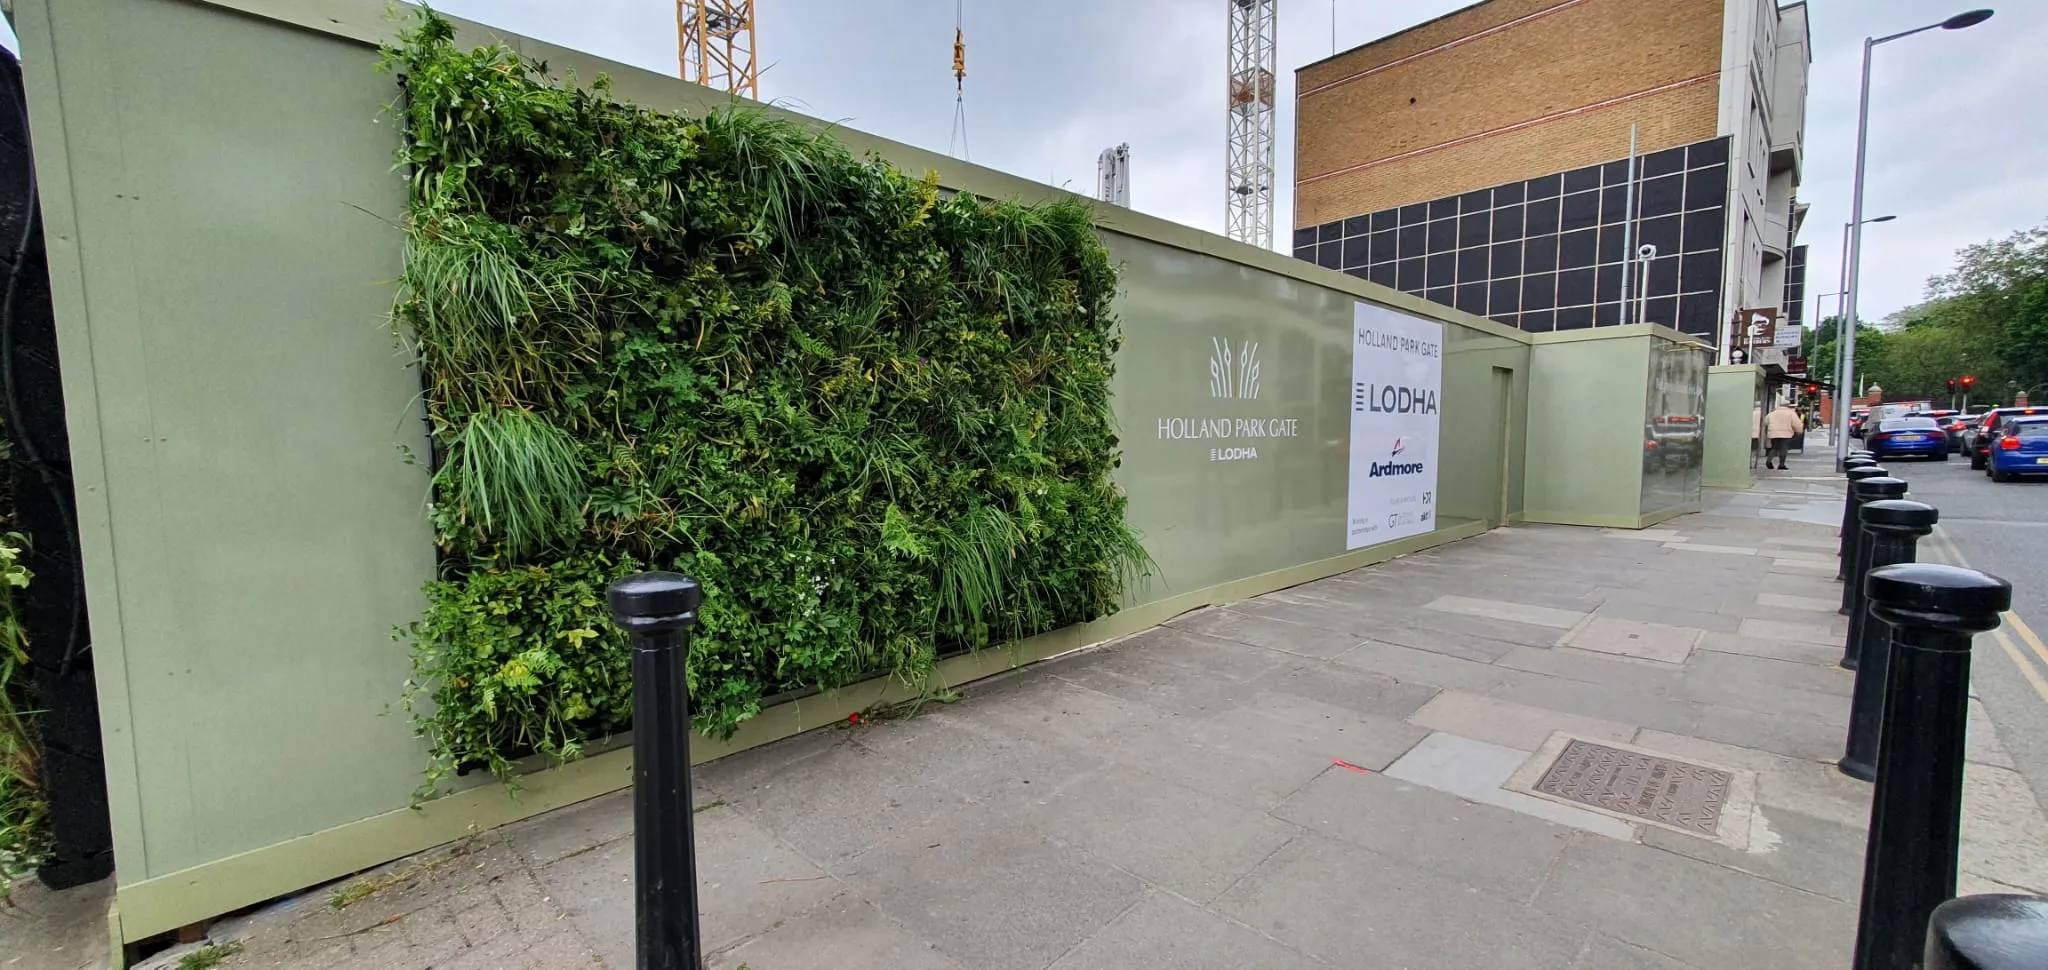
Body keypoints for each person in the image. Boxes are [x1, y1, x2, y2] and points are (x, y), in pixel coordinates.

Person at [1763, 401, 1804, 469]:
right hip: (1786, 434)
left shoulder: (1772, 413)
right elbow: (1796, 424)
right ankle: (1781, 464)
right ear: (1788, 406)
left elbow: (1766, 422)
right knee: (1783, 449)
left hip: (1774, 433)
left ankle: (1768, 461)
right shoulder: (1791, 413)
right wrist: (1799, 431)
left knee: (1774, 448)